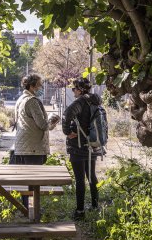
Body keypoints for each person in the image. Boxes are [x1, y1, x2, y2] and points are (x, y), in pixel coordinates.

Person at [13, 74, 58, 208]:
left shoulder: (21, 99)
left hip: (22, 145)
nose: (40, 87)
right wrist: (52, 121)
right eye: (38, 84)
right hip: (33, 147)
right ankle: (33, 209)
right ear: (32, 86)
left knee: (25, 180)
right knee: (34, 180)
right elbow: (43, 125)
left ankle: (25, 207)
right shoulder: (32, 101)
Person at [62, 77, 103, 221]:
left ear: (79, 90)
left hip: (78, 145)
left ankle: (80, 211)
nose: (73, 91)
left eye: (74, 89)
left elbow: (67, 115)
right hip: (93, 143)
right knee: (91, 176)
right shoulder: (96, 101)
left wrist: (67, 131)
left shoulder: (80, 102)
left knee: (80, 179)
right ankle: (95, 206)